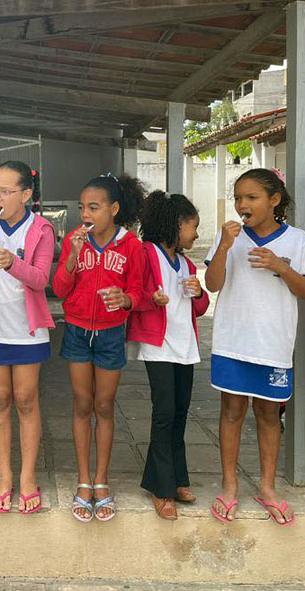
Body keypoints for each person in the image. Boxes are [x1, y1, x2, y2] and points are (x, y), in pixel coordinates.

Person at [205, 168, 305, 526]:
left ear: (274, 200)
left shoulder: (297, 240)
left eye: (251, 197)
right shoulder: (231, 238)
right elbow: (212, 283)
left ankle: (267, 487)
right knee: (231, 412)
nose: (242, 204)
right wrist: (224, 246)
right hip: (232, 340)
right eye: (238, 198)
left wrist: (279, 267)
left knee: (269, 416)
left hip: (272, 342)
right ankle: (229, 484)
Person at [52, 173, 145, 522]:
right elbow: (60, 288)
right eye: (81, 207)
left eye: (94, 207)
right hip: (76, 330)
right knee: (81, 403)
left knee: (104, 405)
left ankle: (101, 480)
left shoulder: (131, 246)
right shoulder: (75, 242)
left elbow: (137, 290)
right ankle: (82, 481)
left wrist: (125, 299)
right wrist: (74, 255)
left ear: (114, 209)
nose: (85, 214)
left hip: (109, 334)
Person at [0, 161, 54, 514]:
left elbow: (40, 279)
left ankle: (28, 477)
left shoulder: (41, 229)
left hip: (27, 328)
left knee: (26, 399)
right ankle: (4, 477)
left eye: (5, 191)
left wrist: (11, 264)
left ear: (26, 194)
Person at [127, 191, 209, 520]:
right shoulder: (146, 253)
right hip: (158, 345)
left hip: (185, 345)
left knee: (179, 413)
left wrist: (199, 292)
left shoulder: (187, 263)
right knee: (163, 413)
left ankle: (174, 479)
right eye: (192, 226)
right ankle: (162, 490)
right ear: (176, 225)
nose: (196, 234)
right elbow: (136, 292)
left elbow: (199, 308)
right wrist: (152, 298)